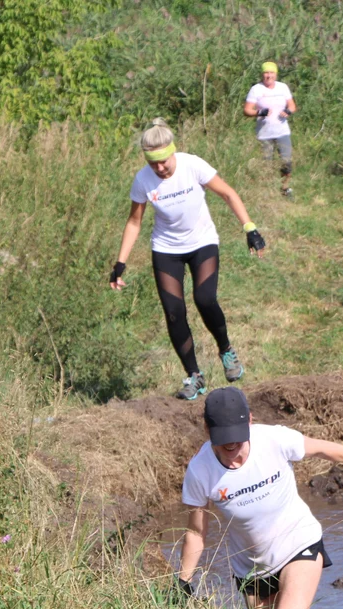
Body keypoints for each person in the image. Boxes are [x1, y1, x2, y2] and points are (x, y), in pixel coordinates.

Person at [174, 386, 343, 609]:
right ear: (208, 430)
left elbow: (318, 448)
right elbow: (197, 533)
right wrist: (183, 581)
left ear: (250, 421)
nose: (232, 448)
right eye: (223, 440)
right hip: (251, 568)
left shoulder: (273, 440)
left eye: (237, 437)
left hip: (298, 544)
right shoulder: (200, 470)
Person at [109, 118, 266, 401]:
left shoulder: (192, 165)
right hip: (166, 248)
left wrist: (249, 228)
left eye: (164, 161)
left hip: (202, 242)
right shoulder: (143, 179)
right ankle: (194, 376)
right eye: (153, 163)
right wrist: (120, 263)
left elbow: (228, 193)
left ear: (173, 151)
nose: (160, 168)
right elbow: (134, 222)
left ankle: (226, 350)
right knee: (174, 312)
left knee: (205, 299)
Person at [243, 61, 297, 198]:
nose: (268, 76)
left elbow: (292, 106)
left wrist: (288, 111)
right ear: (262, 74)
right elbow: (247, 110)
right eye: (266, 73)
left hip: (282, 131)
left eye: (271, 72)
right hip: (264, 133)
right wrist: (259, 113)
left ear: (276, 74)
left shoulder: (283, 88)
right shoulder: (256, 89)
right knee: (266, 163)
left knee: (286, 161)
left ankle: (285, 188)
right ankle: (266, 190)